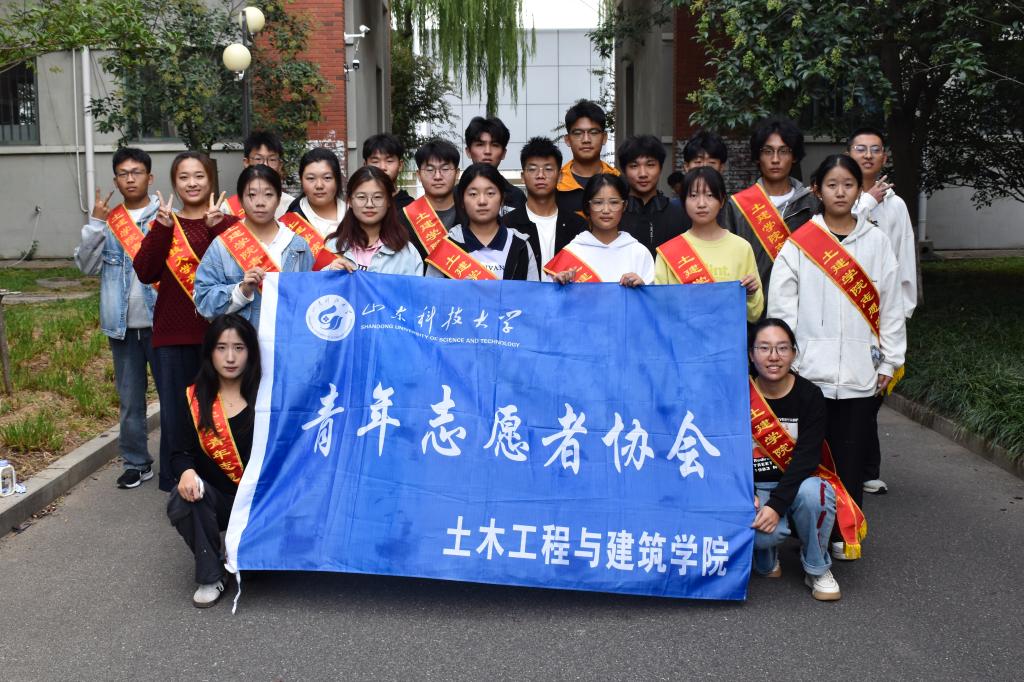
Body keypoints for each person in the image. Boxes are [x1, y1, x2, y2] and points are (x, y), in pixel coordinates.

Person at [768, 154, 906, 560]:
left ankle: (846, 532)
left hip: (862, 374)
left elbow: (891, 307)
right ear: (817, 190)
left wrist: (890, 361)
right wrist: (789, 363)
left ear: (859, 190)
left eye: (848, 184)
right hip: (810, 374)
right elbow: (782, 308)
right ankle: (808, 534)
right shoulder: (800, 243)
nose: (840, 192)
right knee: (809, 458)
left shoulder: (876, 242)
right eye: (832, 185)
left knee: (851, 457)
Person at [134, 151, 237, 492]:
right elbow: (145, 271)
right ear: (174, 183)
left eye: (199, 176)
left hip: (221, 336)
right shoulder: (165, 223)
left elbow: (237, 270)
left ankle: (221, 482)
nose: (192, 183)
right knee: (177, 412)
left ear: (211, 180)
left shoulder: (228, 223)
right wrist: (162, 229)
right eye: (184, 177)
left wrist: (218, 226)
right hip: (173, 334)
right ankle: (177, 481)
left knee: (220, 409)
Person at [74, 147, 160, 489]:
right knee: (130, 402)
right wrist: (95, 224)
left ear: (150, 177)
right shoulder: (109, 223)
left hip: (161, 325)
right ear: (115, 180)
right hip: (122, 328)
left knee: (174, 398)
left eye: (136, 172)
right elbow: (86, 266)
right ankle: (136, 463)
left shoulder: (166, 216)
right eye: (123, 174)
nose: (130, 179)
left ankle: (178, 461)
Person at [167, 313, 260, 608]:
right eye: (222, 348)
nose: (230, 357)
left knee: (263, 574)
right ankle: (211, 574)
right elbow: (179, 452)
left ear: (251, 352)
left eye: (239, 348)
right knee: (183, 497)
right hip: (220, 501)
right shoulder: (194, 398)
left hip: (264, 502)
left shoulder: (267, 394)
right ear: (210, 352)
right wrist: (186, 472)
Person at [748, 318, 840, 601]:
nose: (773, 356)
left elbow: (807, 457)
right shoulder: (740, 394)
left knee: (817, 494)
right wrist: (745, 492)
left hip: (798, 483)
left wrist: (776, 505)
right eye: (764, 348)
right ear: (751, 354)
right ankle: (766, 554)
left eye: (782, 348)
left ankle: (816, 567)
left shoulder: (810, 395)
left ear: (794, 353)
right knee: (763, 535)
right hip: (755, 487)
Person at [848, 126, 917, 495]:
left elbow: (904, 256)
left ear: (884, 157)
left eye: (875, 149)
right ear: (850, 153)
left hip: (880, 312)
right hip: (846, 307)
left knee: (872, 395)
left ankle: (866, 468)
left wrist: (903, 311)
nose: (868, 155)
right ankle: (846, 465)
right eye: (861, 149)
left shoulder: (896, 205)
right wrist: (866, 201)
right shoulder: (840, 195)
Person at [196, 164, 317, 331]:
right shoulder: (222, 245)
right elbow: (203, 302)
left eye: (268, 195)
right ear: (240, 200)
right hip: (242, 343)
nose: (260, 203)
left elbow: (311, 299)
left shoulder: (298, 246)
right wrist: (242, 290)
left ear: (279, 199)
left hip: (287, 341)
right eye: (252, 195)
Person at [653, 167, 763, 324]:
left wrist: (751, 293)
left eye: (710, 195)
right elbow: (660, 310)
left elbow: (755, 314)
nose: (701, 203)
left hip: (728, 335)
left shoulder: (741, 248)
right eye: (693, 196)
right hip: (683, 337)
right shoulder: (668, 252)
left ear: (722, 200)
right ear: (683, 201)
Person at [722, 116, 817, 297]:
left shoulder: (811, 204)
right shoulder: (737, 206)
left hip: (801, 302)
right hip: (753, 303)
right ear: (758, 157)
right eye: (768, 151)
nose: (775, 159)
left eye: (783, 151)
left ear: (794, 156)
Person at [425, 163, 538, 281]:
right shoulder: (447, 247)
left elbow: (534, 291)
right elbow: (431, 291)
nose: (482, 201)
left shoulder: (520, 245)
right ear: (462, 200)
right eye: (473, 194)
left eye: (490, 193)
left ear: (502, 199)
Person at [502, 136, 587, 279]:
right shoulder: (507, 225)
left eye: (548, 169)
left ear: (560, 176)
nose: (540, 175)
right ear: (523, 176)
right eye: (532, 169)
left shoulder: (577, 226)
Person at [549, 173, 654, 286]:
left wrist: (643, 288)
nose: (606, 210)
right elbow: (549, 294)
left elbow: (653, 295)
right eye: (598, 202)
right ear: (587, 206)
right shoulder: (572, 252)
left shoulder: (639, 253)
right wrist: (558, 286)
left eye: (614, 202)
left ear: (624, 206)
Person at [323, 166, 423, 275]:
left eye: (377, 197)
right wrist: (328, 273)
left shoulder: (407, 253)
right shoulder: (333, 247)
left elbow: (415, 286)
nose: (369, 204)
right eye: (361, 197)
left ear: (389, 201)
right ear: (350, 201)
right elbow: (315, 283)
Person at [617, 134, 686, 257]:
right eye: (634, 166)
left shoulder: (680, 213)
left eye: (650, 165)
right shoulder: (614, 214)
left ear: (660, 168)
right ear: (624, 170)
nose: (643, 174)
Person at [400, 139, 463, 260]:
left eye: (445, 169)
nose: (437, 176)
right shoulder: (403, 219)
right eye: (429, 170)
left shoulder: (470, 213)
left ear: (457, 173)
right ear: (418, 175)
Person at [557, 100, 618, 217]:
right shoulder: (556, 184)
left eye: (593, 132)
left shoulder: (618, 181)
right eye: (578, 133)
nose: (586, 139)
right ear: (567, 140)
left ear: (604, 138)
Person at [223, 131, 295, 219]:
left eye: (272, 159)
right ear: (246, 162)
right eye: (258, 159)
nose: (265, 165)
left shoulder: (292, 206)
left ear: (280, 165)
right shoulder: (228, 209)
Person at [464, 116, 527, 214]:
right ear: (468, 151)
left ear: (503, 153)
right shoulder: (454, 195)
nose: (487, 151)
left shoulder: (516, 196)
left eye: (495, 145)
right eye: (480, 145)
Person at [284, 147, 348, 237]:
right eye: (311, 178)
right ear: (301, 180)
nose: (319, 185)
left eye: (327, 178)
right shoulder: (292, 221)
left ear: (337, 179)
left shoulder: (352, 214)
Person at [363, 133, 414, 210]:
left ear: (400, 165)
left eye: (389, 161)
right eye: (375, 161)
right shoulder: (358, 204)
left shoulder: (410, 207)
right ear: (365, 165)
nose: (382, 167)